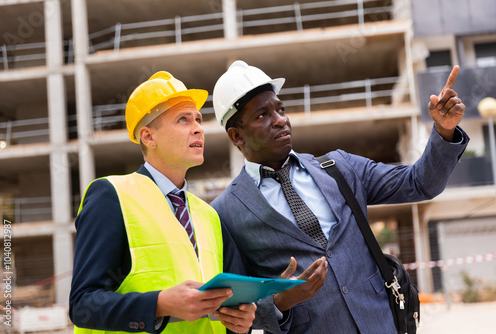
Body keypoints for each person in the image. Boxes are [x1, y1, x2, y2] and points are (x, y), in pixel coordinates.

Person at [211, 60, 468, 333]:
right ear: (236, 136)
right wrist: (278, 302)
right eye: (262, 116)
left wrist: (444, 130)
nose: (280, 120)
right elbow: (234, 309)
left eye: (280, 109)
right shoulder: (226, 212)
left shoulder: (339, 168)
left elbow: (420, 183)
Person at [69, 71, 256, 334]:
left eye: (199, 119)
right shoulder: (111, 195)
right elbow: (82, 305)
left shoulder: (209, 216)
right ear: (148, 137)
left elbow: (229, 305)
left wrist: (241, 321)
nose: (198, 128)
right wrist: (158, 305)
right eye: (183, 119)